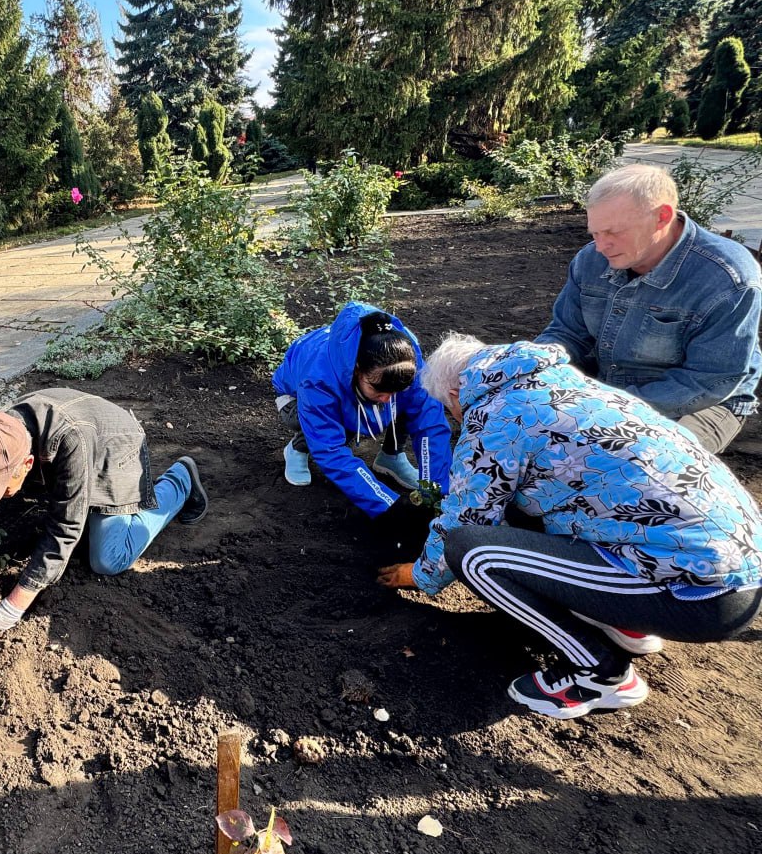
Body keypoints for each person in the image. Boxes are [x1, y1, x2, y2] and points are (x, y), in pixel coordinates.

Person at [378, 334, 762, 719]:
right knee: (525, 506)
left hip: (701, 593)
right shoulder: (566, 384)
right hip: (736, 559)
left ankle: (600, 672)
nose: (456, 419)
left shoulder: (495, 417)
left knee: (471, 552)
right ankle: (625, 621)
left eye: (451, 410)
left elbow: (466, 518)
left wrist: (421, 575)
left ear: (456, 392)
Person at [0, 388, 209, 683]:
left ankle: (178, 481)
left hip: (113, 449)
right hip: (74, 447)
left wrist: (15, 604)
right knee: (1, 520)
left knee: (108, 558)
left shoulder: (69, 442)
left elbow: (64, 530)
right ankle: (77, 502)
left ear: (26, 465)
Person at [535, 163, 762, 453]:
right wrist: (530, 367)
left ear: (662, 217)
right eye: (595, 233)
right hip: (607, 387)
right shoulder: (590, 260)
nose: (601, 246)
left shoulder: (727, 279)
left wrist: (607, 407)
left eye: (613, 232)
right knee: (530, 439)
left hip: (702, 401)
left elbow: (710, 380)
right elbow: (567, 333)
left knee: (648, 462)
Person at [272, 302, 454, 561]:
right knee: (339, 431)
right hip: (295, 397)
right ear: (357, 369)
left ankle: (391, 456)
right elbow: (331, 450)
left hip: (355, 388)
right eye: (378, 390)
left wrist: (434, 492)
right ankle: (297, 448)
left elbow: (430, 425)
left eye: (394, 391)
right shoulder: (318, 380)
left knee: (408, 404)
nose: (386, 399)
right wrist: (389, 507)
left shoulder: (403, 360)